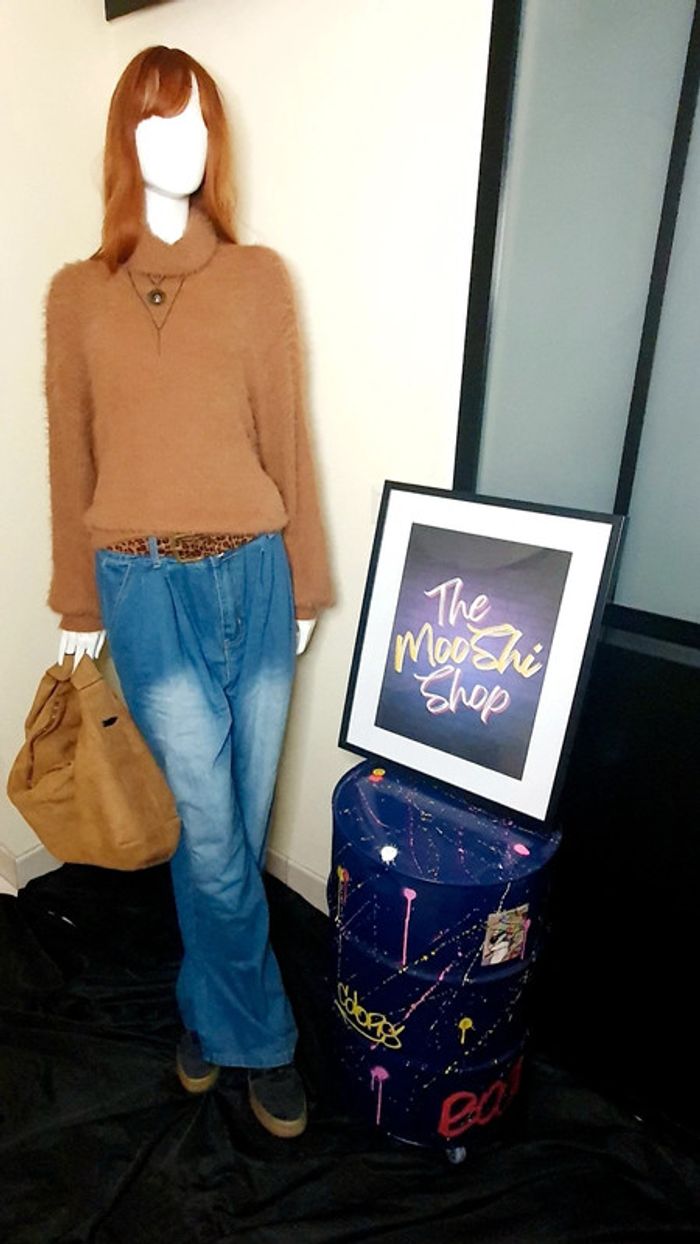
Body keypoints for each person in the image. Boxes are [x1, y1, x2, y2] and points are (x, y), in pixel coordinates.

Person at [44, 45, 333, 1139]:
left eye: (200, 121)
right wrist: (79, 603)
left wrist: (304, 581)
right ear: (124, 139)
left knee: (234, 828)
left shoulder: (258, 279)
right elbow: (70, 457)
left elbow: (286, 442)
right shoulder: (77, 295)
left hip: (257, 578)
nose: (184, 142)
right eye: (159, 121)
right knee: (211, 830)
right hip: (144, 587)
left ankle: (205, 1012)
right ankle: (267, 1040)